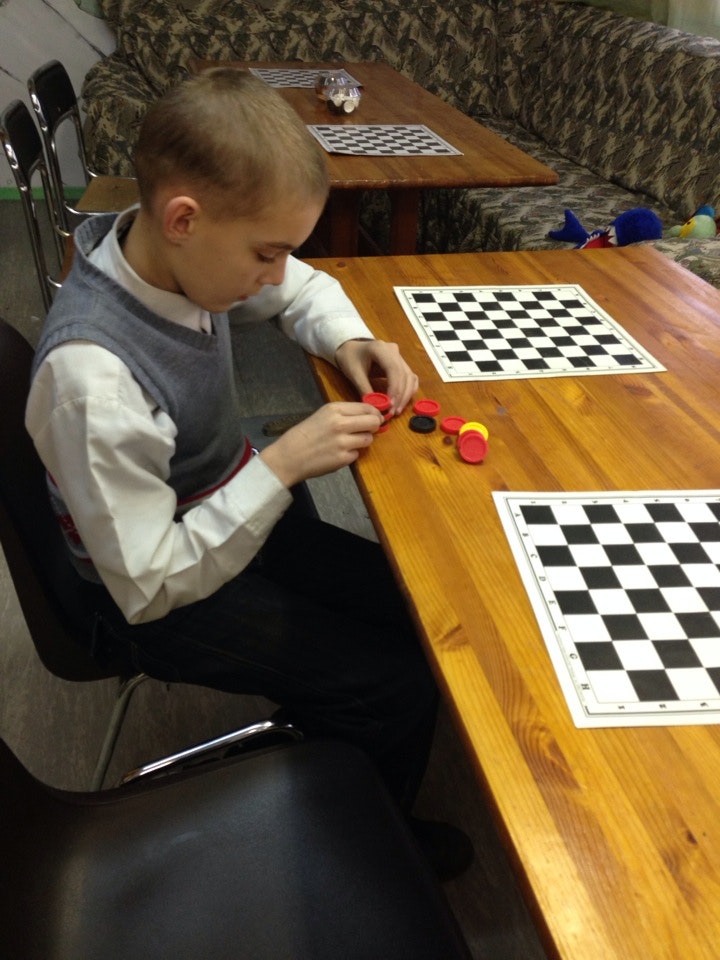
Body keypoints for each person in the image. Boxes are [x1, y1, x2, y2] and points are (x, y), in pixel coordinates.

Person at [25, 68, 472, 878]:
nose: (275, 274)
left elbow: (299, 289)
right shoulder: (92, 381)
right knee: (397, 686)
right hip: (152, 593)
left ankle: (326, 739)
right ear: (184, 219)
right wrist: (285, 463)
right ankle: (370, 854)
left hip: (221, 513)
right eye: (266, 253)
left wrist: (347, 339)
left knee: (421, 611)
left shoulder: (174, 258)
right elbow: (148, 586)